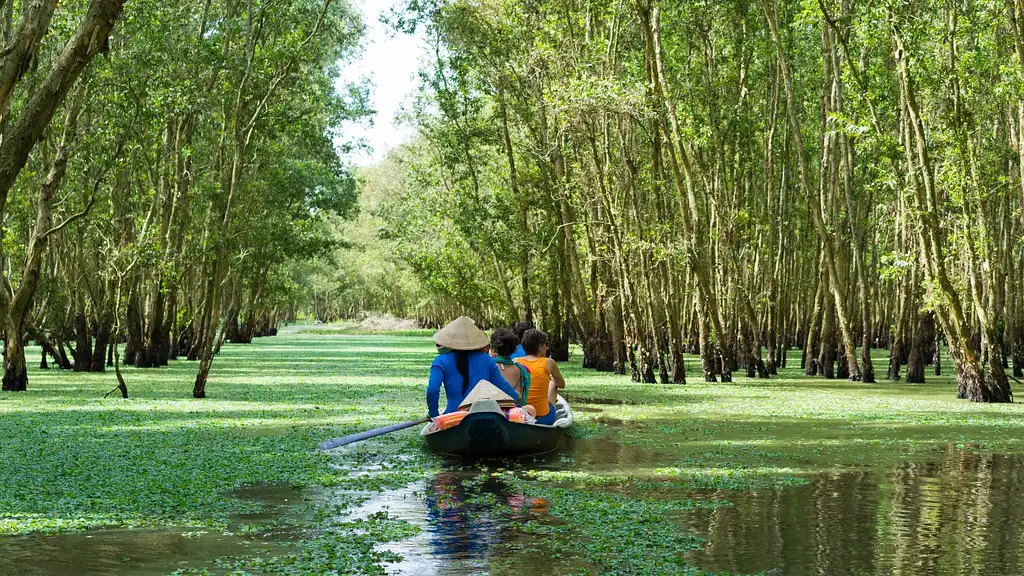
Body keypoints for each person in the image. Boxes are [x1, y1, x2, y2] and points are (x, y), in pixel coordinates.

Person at [427, 317, 521, 419]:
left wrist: (434, 414)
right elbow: (502, 386)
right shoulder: (486, 359)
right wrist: (517, 397)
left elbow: (432, 390)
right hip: (484, 415)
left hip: (453, 416)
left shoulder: (440, 361)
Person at [514, 329, 566, 425]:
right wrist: (550, 378)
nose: (547, 347)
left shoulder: (515, 361)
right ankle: (550, 413)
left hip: (520, 416)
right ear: (539, 346)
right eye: (546, 344)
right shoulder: (549, 362)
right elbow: (562, 384)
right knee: (553, 384)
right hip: (543, 418)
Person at [490, 328, 532, 411]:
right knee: (531, 409)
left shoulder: (489, 366)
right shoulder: (521, 369)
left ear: (493, 348)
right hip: (514, 412)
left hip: (493, 411)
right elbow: (520, 398)